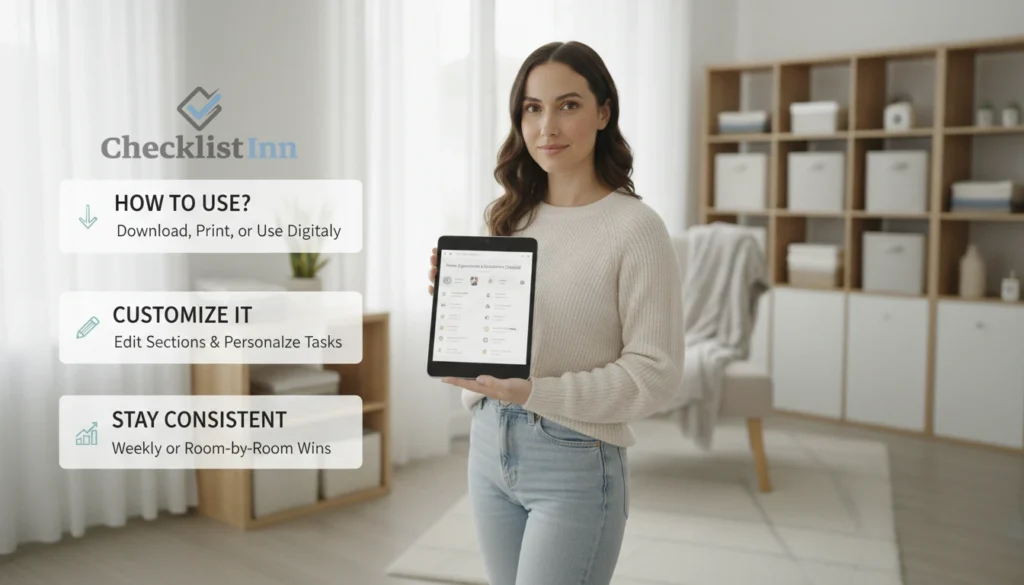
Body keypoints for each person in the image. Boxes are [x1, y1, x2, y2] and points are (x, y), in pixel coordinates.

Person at [427, 40, 684, 585]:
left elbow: (654, 376)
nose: (547, 126)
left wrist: (532, 391)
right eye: (532, 107)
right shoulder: (508, 219)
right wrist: (457, 303)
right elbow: (514, 342)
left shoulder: (636, 230)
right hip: (489, 445)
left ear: (603, 112)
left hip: (575, 458)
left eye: (567, 105)